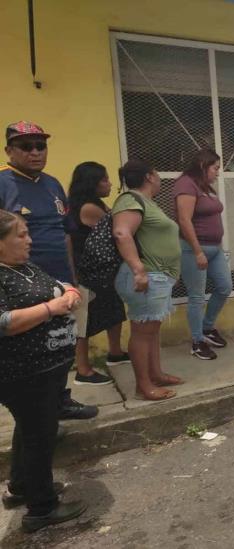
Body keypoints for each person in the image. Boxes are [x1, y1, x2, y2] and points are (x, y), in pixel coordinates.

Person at [0, 121, 97, 420]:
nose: (35, 152)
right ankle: (37, 416)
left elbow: (65, 233)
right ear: (9, 151)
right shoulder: (3, 183)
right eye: (25, 146)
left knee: (61, 341)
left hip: (59, 280)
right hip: (20, 286)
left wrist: (71, 274)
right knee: (33, 352)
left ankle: (60, 401)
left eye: (40, 146)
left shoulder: (53, 184)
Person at [0, 210, 87, 533]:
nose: (29, 240)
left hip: (45, 370)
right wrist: (52, 307)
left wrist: (69, 292)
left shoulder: (23, 267)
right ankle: (42, 507)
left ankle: (22, 486)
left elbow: (56, 284)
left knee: (28, 430)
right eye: (21, 235)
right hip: (22, 373)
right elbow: (4, 323)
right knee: (40, 437)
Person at [112, 160, 183, 401]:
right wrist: (138, 270)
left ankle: (155, 373)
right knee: (142, 333)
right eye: (158, 173)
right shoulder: (130, 200)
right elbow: (122, 233)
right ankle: (144, 386)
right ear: (150, 176)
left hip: (157, 276)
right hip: (146, 276)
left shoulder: (146, 202)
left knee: (151, 330)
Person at [68, 162, 129, 385]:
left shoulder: (95, 204)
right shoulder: (89, 208)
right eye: (104, 179)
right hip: (90, 273)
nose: (109, 183)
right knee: (84, 321)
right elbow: (117, 230)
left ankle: (115, 352)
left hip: (103, 272)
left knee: (114, 310)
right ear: (92, 183)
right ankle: (83, 370)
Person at [173, 149, 232, 360]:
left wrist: (220, 246)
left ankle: (207, 328)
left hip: (215, 249)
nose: (217, 172)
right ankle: (197, 341)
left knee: (225, 287)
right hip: (194, 250)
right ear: (202, 165)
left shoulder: (204, 187)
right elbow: (184, 220)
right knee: (196, 296)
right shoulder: (186, 184)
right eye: (215, 168)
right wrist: (198, 251)